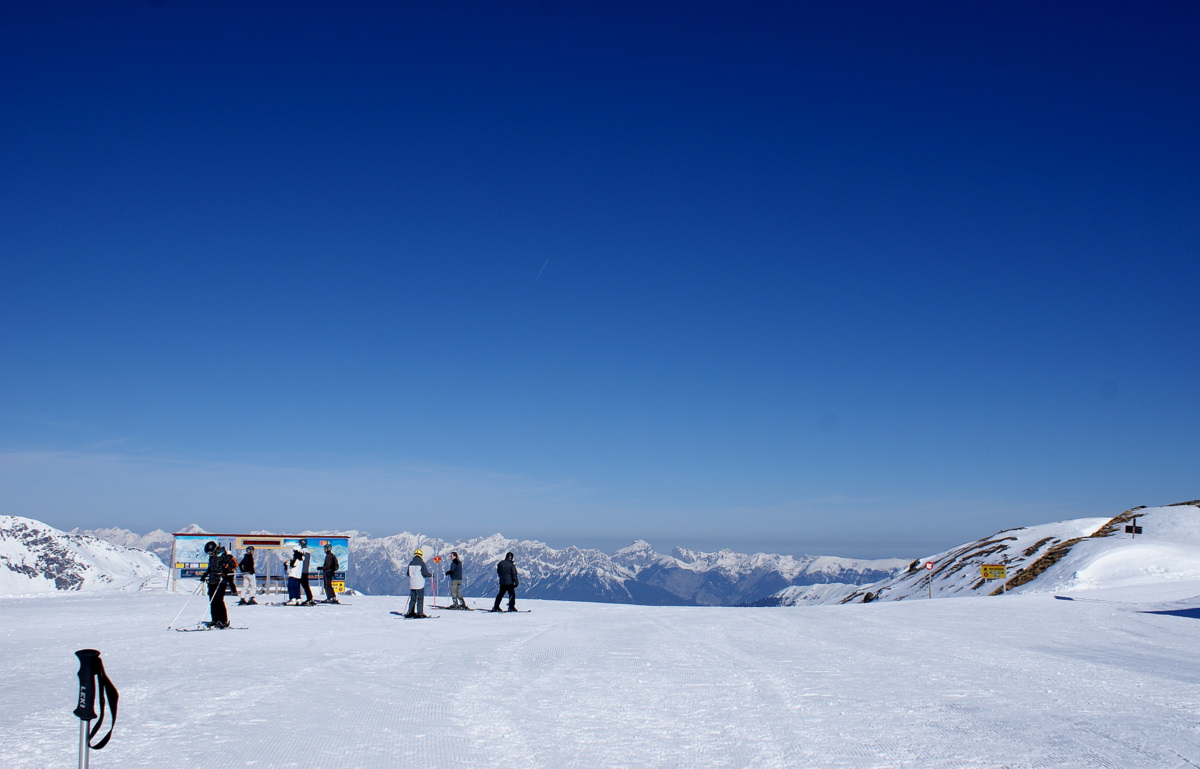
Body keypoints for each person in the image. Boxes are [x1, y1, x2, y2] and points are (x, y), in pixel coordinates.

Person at [200, 541, 233, 628]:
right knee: (212, 601)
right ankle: (215, 619)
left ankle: (223, 620)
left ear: (214, 550)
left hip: (221, 581)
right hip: (212, 581)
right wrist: (205, 574)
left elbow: (232, 564)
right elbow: (211, 568)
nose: (210, 554)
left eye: (211, 552)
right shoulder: (211, 557)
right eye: (208, 553)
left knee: (219, 600)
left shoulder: (222, 555)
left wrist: (226, 570)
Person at [405, 548, 432, 618]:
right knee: (420, 598)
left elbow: (408, 573)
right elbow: (425, 573)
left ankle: (410, 612)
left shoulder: (410, 563)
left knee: (413, 598)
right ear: (421, 555)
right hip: (419, 584)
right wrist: (431, 575)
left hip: (412, 584)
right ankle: (420, 613)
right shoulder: (421, 563)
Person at [297, 538, 314, 605]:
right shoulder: (308, 551)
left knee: (299, 585)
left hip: (301, 570)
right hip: (306, 570)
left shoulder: (301, 551)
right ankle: (310, 598)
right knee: (306, 585)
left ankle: (299, 598)